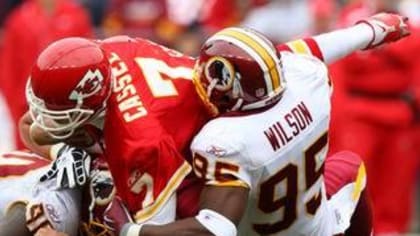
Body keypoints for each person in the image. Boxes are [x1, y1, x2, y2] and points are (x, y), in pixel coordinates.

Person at [22, 12, 408, 235]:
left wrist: (130, 231)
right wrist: (374, 30)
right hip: (308, 212)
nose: (198, 79)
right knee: (352, 166)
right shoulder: (305, 78)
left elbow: (215, 229)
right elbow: (310, 49)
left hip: (261, 227)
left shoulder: (224, 138)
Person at [0, 0, 92, 149]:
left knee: (72, 154)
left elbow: (90, 56)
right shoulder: (19, 18)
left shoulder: (75, 15)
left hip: (70, 105)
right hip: (28, 105)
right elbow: (8, 68)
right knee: (31, 157)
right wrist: (17, 104)